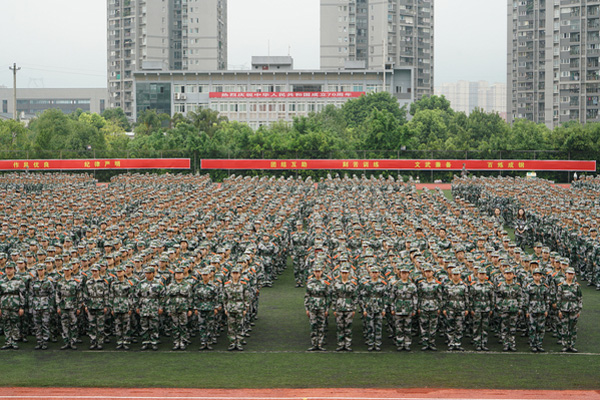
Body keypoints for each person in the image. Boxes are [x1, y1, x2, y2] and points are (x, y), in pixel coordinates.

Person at [359, 266, 388, 351]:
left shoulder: (382, 283)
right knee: (370, 326)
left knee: (378, 326)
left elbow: (385, 297)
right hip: (369, 308)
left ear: (379, 273)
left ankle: (378, 343)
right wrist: (364, 309)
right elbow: (363, 298)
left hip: (379, 308)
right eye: (373, 272)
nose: (374, 274)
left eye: (376, 272)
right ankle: (371, 343)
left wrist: (384, 309)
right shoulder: (367, 284)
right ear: (370, 273)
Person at [136, 266, 164, 351]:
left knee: (154, 326)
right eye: (146, 273)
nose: (147, 275)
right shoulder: (141, 283)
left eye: (149, 273)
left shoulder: (158, 283)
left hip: (154, 306)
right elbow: (136, 296)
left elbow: (162, 296)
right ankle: (145, 342)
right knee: (144, 326)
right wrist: (137, 307)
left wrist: (161, 307)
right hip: (144, 306)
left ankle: (154, 342)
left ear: (153, 273)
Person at [390, 266, 418, 351]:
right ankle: (400, 343)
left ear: (408, 274)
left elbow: (415, 298)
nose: (404, 275)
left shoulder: (412, 285)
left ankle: (407, 344)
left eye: (406, 273)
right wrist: (392, 308)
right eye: (403, 273)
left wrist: (414, 309)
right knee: (398, 328)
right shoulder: (396, 284)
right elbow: (392, 297)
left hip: (408, 308)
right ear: (400, 274)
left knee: (408, 328)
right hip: (398, 308)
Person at [330, 264, 357, 352]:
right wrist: (334, 308)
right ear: (340, 273)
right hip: (339, 307)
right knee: (340, 327)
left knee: (348, 327)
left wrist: (354, 308)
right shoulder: (336, 284)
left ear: (349, 273)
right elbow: (333, 297)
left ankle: (348, 344)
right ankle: (341, 344)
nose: (344, 274)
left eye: (346, 273)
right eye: (343, 273)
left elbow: (355, 297)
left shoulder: (352, 284)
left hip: (349, 308)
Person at [165, 267, 193, 350]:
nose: (178, 275)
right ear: (174, 275)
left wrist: (190, 309)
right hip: (173, 308)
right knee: (175, 325)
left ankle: (183, 341)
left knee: (183, 325)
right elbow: (167, 298)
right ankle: (176, 342)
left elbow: (190, 297)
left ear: (183, 275)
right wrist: (168, 309)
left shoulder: (187, 285)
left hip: (183, 308)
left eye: (180, 273)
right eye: (177, 274)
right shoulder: (170, 285)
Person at [495, 268, 523, 351]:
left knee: (513, 327)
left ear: (513, 275)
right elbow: (498, 298)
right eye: (507, 273)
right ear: (504, 275)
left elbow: (520, 297)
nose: (508, 275)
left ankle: (512, 344)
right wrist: (499, 308)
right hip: (504, 308)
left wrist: (520, 308)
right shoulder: (501, 285)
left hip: (514, 308)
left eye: (510, 273)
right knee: (504, 327)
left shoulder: (517, 286)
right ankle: (505, 344)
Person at [556, 267, 583, 352]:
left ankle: (572, 345)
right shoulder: (561, 286)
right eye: (568, 274)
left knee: (573, 328)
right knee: (564, 328)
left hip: (573, 309)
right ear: (565, 274)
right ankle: (565, 345)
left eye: (571, 274)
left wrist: (579, 310)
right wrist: (559, 310)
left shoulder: (577, 286)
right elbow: (558, 299)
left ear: (574, 275)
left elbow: (580, 299)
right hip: (564, 309)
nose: (570, 275)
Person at [304, 263, 330, 351]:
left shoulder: (325, 283)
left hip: (322, 306)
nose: (317, 273)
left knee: (321, 325)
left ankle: (320, 343)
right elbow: (307, 296)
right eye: (316, 271)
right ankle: (314, 343)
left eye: (319, 271)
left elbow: (327, 297)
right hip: (312, 306)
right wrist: (306, 308)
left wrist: (327, 309)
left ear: (322, 272)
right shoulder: (310, 282)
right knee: (313, 325)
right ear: (313, 272)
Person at [55, 264, 81, 350]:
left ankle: (73, 342)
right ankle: (66, 342)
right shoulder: (60, 282)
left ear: (71, 270)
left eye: (68, 270)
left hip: (73, 306)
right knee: (64, 325)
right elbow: (57, 295)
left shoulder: (75, 282)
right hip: (63, 306)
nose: (66, 272)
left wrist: (78, 307)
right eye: (65, 270)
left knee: (73, 324)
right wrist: (58, 307)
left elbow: (79, 295)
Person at [223, 266, 249, 351]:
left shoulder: (243, 285)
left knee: (239, 325)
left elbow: (246, 297)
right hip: (230, 307)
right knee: (231, 326)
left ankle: (239, 342)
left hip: (240, 307)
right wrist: (225, 309)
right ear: (231, 274)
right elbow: (224, 298)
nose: (235, 275)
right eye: (233, 273)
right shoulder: (227, 285)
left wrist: (246, 308)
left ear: (239, 274)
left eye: (236, 273)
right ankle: (232, 342)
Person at [524, 267, 550, 352]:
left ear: (541, 276)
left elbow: (547, 299)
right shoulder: (529, 286)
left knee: (541, 328)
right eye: (535, 275)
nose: (537, 277)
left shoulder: (544, 286)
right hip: (532, 309)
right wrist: (527, 311)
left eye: (539, 275)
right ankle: (533, 344)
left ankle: (539, 344)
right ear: (533, 276)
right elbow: (526, 299)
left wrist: (546, 310)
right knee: (532, 328)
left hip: (542, 309)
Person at [83, 264, 109, 350]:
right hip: (91, 305)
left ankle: (100, 342)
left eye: (96, 271)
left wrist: (106, 305)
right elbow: (86, 295)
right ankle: (93, 341)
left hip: (100, 305)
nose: (94, 273)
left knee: (100, 325)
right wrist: (86, 305)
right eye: (93, 271)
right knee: (92, 325)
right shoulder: (88, 282)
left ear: (99, 271)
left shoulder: (103, 282)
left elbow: (106, 295)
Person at [29, 263, 55, 350]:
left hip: (45, 305)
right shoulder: (33, 282)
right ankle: (39, 341)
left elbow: (52, 295)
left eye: (41, 270)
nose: (40, 272)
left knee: (45, 324)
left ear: (44, 270)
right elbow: (31, 295)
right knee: (37, 325)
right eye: (38, 270)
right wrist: (31, 307)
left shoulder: (48, 282)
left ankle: (45, 342)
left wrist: (51, 306)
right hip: (36, 305)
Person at [443, 267, 469, 351]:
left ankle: (457, 343)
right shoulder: (447, 286)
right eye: (454, 274)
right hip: (450, 308)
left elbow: (467, 298)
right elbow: (444, 298)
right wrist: (444, 308)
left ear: (460, 275)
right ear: (451, 275)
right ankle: (451, 343)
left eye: (457, 274)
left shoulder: (464, 286)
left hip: (460, 308)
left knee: (459, 327)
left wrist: (467, 309)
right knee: (450, 327)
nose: (456, 276)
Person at [0, 263, 25, 350]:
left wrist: (22, 307)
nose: (9, 270)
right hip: (4, 306)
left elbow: (22, 294)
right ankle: (8, 342)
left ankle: (14, 342)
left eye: (10, 268)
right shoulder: (2, 281)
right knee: (6, 324)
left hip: (15, 305)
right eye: (7, 268)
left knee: (15, 324)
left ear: (14, 269)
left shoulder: (19, 280)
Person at [109, 266, 135, 350]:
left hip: (125, 305)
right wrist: (111, 308)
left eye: (120, 271)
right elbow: (111, 296)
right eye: (117, 271)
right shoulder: (113, 283)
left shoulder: (129, 283)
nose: (119, 273)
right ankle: (119, 341)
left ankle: (126, 341)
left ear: (124, 272)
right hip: (116, 306)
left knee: (126, 325)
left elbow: (131, 296)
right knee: (117, 325)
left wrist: (131, 308)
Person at [418, 264, 442, 351]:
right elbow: (419, 296)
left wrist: (439, 307)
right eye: (426, 272)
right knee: (424, 326)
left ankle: (431, 343)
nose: (428, 273)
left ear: (433, 272)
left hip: (434, 306)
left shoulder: (437, 284)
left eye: (429, 272)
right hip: (424, 306)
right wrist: (418, 307)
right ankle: (425, 343)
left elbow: (440, 297)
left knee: (433, 326)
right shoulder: (421, 283)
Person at [469, 268, 494, 351]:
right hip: (477, 308)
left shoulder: (489, 285)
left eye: (483, 274)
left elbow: (492, 297)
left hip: (486, 308)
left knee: (485, 327)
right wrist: (471, 308)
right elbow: (471, 298)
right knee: (476, 326)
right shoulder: (473, 285)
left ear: (486, 275)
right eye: (480, 274)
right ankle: (477, 343)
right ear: (477, 275)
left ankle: (483, 343)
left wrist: (491, 308)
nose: (482, 275)